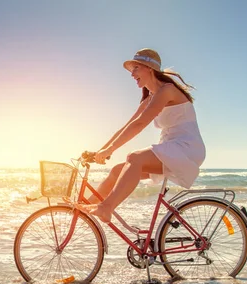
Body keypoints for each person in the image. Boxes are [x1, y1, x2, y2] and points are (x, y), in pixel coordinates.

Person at [80, 48, 206, 223]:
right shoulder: (151, 98)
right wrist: (101, 151)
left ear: (149, 68)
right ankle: (83, 209)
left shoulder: (167, 91)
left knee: (135, 158)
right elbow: (128, 126)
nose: (132, 74)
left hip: (187, 148)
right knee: (118, 171)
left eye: (136, 68)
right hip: (172, 148)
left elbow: (140, 124)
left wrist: (110, 149)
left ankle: (106, 208)